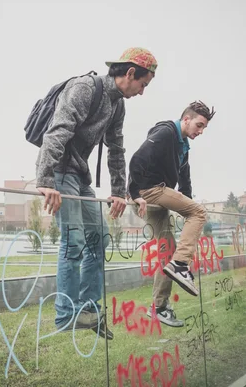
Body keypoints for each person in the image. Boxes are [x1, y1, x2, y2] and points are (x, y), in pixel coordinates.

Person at [36, 47, 158, 339]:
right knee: (74, 239)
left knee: (99, 237)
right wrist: (46, 180)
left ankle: (88, 309)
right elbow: (57, 132)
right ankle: (66, 315)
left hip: (79, 176)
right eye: (143, 85)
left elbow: (116, 149)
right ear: (130, 73)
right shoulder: (84, 88)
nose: (142, 92)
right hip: (60, 172)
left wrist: (118, 192)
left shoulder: (118, 105)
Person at [127, 101, 214, 324]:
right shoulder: (166, 132)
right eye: (199, 125)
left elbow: (185, 182)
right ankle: (181, 265)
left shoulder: (183, 145)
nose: (201, 131)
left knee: (168, 248)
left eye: (204, 128)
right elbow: (138, 158)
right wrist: (134, 192)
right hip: (148, 192)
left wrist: (187, 205)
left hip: (156, 195)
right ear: (186, 119)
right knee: (200, 213)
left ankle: (159, 307)